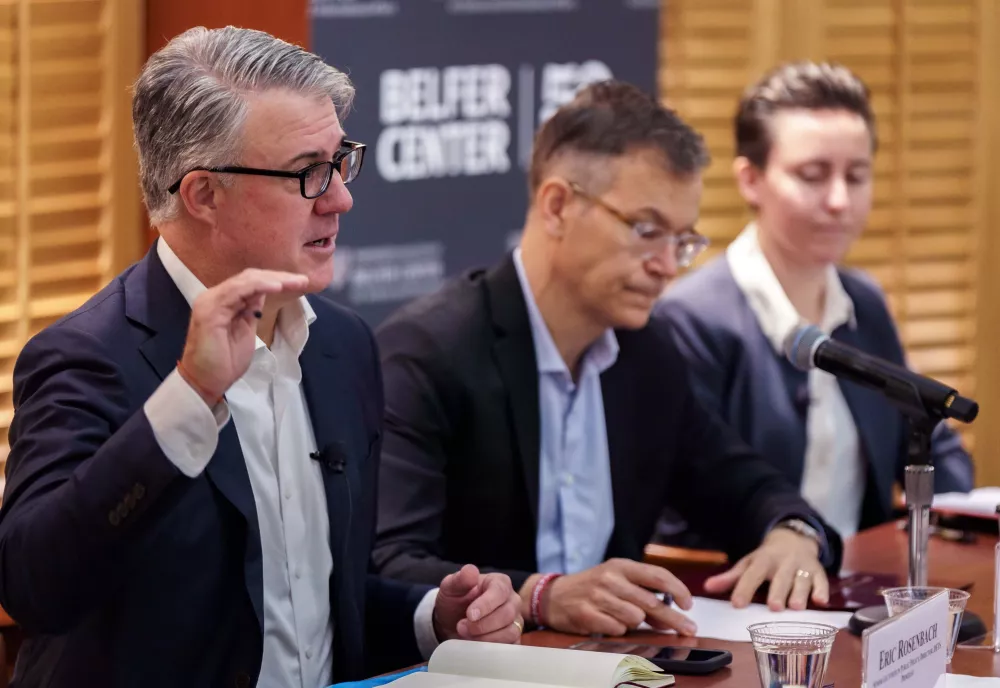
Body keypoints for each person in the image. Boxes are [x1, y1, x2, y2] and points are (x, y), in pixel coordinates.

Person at [0, 27, 523, 688]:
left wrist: (433, 619)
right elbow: (35, 586)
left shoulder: (343, 345)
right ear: (203, 195)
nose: (340, 197)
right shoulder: (87, 356)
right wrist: (190, 395)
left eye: (340, 162)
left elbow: (305, 595)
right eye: (308, 173)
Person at [372, 80, 845, 640]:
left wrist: (791, 532)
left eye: (683, 241)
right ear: (557, 206)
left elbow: (742, 483)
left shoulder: (647, 355)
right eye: (647, 231)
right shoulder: (431, 351)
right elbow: (386, 564)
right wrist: (540, 595)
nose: (668, 266)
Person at [653, 61, 973, 545]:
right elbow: (696, 497)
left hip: (860, 584)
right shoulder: (691, 319)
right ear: (751, 180)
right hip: (745, 600)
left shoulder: (861, 301)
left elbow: (930, 438)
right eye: (813, 175)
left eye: (857, 175)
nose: (840, 200)